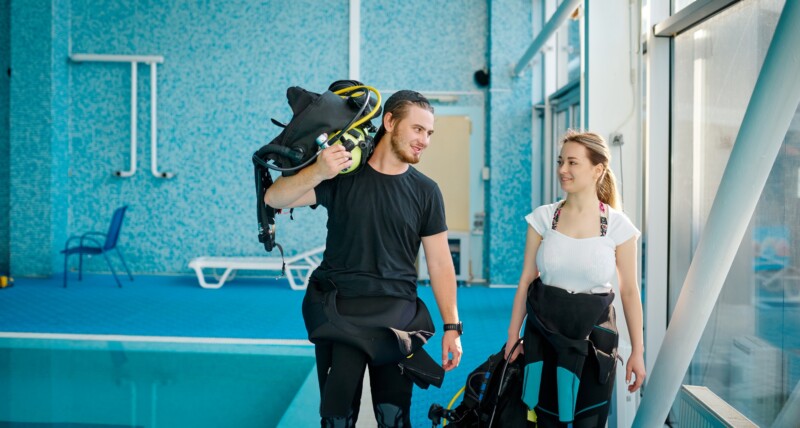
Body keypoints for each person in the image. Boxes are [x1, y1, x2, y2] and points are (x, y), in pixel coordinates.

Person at [264, 90, 463, 427]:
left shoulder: (426, 192)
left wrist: (452, 326)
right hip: (341, 314)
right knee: (337, 420)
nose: (424, 140)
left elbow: (441, 263)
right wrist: (319, 171)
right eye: (417, 129)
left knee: (393, 418)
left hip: (396, 319)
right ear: (389, 122)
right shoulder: (341, 178)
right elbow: (274, 198)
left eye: (429, 133)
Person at [504, 130, 645, 427]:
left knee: (588, 422)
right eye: (560, 161)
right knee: (543, 420)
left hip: (594, 344)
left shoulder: (619, 227)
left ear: (598, 170)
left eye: (572, 162)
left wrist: (638, 352)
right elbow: (526, 281)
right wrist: (512, 338)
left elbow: (630, 291)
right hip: (543, 337)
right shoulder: (543, 218)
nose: (562, 170)